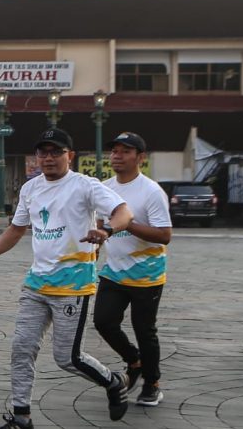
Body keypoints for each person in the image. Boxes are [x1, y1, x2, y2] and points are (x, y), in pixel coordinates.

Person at [0, 127, 134, 429]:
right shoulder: (30, 188)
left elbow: (124, 212)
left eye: (55, 152)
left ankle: (113, 382)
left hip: (72, 286)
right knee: (22, 349)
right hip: (36, 284)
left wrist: (107, 230)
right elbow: (17, 228)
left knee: (68, 358)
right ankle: (21, 417)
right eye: (43, 152)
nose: (48, 158)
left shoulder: (85, 186)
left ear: (69, 156)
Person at [92, 132, 172, 408]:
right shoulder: (104, 187)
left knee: (144, 329)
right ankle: (134, 360)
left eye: (125, 151)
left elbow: (164, 235)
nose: (117, 156)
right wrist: (95, 249)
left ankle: (152, 384)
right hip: (113, 271)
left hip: (146, 275)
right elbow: (103, 227)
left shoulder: (151, 191)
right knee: (103, 321)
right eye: (114, 151)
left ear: (140, 157)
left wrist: (126, 225)